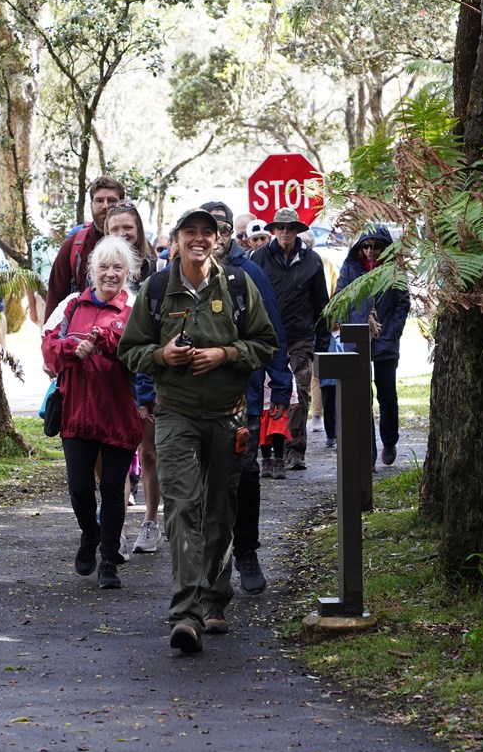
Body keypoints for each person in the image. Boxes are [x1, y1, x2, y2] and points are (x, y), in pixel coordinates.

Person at [118, 208, 278, 654]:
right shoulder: (155, 289)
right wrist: (163, 357)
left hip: (228, 415)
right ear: (177, 239)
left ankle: (215, 599)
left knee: (220, 511)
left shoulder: (237, 287)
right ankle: (185, 614)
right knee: (182, 507)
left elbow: (266, 344)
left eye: (208, 233)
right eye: (191, 232)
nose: (200, 239)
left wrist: (225, 354)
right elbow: (129, 349)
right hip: (175, 414)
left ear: (219, 240)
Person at [42, 236, 144, 589]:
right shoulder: (72, 305)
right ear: (91, 270)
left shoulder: (136, 306)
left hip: (119, 413)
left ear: (128, 272)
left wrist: (108, 341)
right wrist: (73, 347)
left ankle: (109, 562)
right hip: (77, 412)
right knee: (80, 488)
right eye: (104, 266)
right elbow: (49, 351)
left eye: (118, 267)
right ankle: (90, 534)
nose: (110, 274)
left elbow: (142, 354)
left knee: (115, 489)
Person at [206, 202, 292, 596]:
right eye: (208, 230)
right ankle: (210, 563)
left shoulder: (249, 273)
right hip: (195, 400)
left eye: (223, 229)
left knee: (246, 472)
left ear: (230, 235)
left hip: (245, 395)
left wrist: (280, 382)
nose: (216, 237)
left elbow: (272, 332)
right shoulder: (178, 275)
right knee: (205, 481)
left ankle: (246, 550)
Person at [248, 206, 330, 472]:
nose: (285, 232)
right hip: (265, 336)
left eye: (290, 227)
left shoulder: (312, 260)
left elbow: (321, 303)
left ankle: (296, 450)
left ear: (297, 230)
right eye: (281, 227)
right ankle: (269, 450)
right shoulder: (258, 258)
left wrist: (323, 340)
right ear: (273, 230)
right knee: (264, 394)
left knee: (300, 391)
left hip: (299, 337)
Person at [104, 203, 166, 554]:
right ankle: (117, 528)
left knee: (149, 451)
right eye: (116, 228)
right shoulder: (102, 268)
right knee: (114, 454)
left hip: (148, 370)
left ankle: (151, 522)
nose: (123, 233)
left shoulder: (156, 271)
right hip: (112, 375)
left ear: (139, 229)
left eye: (128, 227)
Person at [335, 225, 411, 466]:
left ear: (386, 247)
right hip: (357, 339)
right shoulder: (350, 268)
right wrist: (349, 330)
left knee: (386, 393)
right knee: (361, 396)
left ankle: (389, 441)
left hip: (385, 339)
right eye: (366, 246)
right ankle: (366, 451)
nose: (370, 251)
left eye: (376, 246)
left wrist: (393, 333)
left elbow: (402, 303)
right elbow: (340, 301)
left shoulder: (394, 270)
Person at [44, 175, 126, 318]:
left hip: (125, 331)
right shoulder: (74, 244)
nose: (105, 206)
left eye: (112, 200)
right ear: (91, 205)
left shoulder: (137, 243)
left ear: (121, 203)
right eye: (99, 200)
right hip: (79, 332)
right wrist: (49, 338)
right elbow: (55, 296)